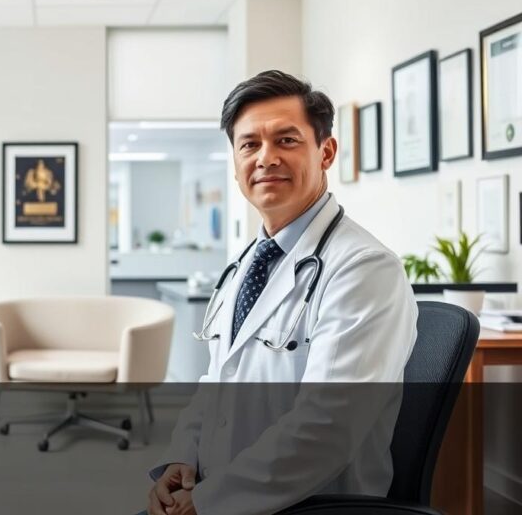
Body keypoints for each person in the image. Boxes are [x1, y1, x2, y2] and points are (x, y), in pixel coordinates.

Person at [145, 70, 418, 515]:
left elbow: (326, 429)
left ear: (325, 152)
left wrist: (208, 502)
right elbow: (217, 379)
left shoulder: (363, 269)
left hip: (309, 504)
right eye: (249, 144)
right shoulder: (250, 261)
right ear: (234, 164)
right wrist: (182, 458)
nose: (265, 158)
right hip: (223, 492)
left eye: (287, 140)